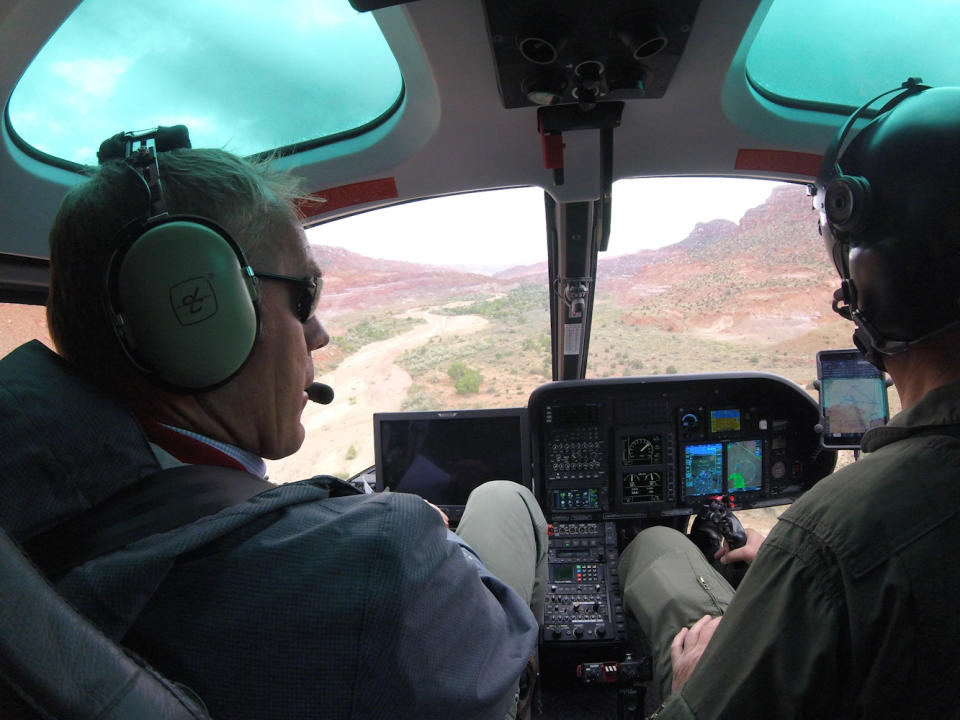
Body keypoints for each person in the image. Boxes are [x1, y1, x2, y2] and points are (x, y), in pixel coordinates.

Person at [0, 131, 547, 720]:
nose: (320, 334)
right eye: (304, 295)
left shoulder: (27, 513)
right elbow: (500, 661)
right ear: (197, 315)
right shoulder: (383, 563)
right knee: (503, 498)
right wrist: (442, 545)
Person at [618, 82, 960, 718]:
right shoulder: (821, 541)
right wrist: (784, 560)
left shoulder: (839, 530)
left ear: (872, 288)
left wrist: (697, 678)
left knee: (657, 549)